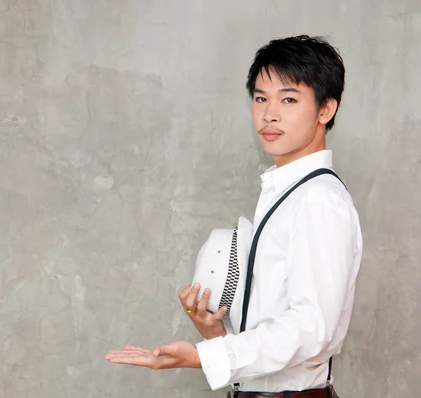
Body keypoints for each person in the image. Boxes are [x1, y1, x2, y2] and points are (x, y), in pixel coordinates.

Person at [104, 35, 363, 398]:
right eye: (260, 98)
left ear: (326, 110)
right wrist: (216, 333)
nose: (269, 114)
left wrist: (203, 356)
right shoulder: (288, 193)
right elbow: (275, 336)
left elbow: (312, 329)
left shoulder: (317, 200)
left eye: (288, 99)